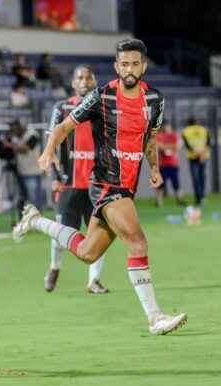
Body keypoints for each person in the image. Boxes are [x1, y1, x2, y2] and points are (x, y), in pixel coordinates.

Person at [12, 39, 187, 335]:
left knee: (88, 252)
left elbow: (151, 139)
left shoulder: (155, 99)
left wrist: (154, 167)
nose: (130, 69)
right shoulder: (101, 96)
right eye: (124, 64)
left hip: (127, 186)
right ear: (116, 67)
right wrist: (49, 149)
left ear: (143, 66)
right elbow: (64, 126)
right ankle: (154, 317)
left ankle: (36, 221)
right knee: (138, 242)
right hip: (106, 182)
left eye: (135, 64)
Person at [43, 65, 107, 294]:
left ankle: (93, 281)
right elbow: (52, 141)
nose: (84, 81)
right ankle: (54, 268)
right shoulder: (61, 108)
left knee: (99, 234)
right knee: (61, 235)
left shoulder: (102, 109)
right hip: (68, 184)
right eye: (79, 77)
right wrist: (55, 174)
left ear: (94, 81)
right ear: (73, 82)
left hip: (96, 185)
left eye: (88, 77)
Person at [182, 117, 210, 205]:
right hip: (204, 156)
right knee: (202, 178)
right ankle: (202, 197)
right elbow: (208, 143)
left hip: (193, 157)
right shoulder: (204, 130)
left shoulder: (185, 131)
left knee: (196, 178)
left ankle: (198, 198)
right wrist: (202, 155)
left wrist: (198, 154)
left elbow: (188, 146)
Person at [155, 121, 185, 207]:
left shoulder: (174, 135)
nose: (167, 129)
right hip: (163, 164)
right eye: (165, 127)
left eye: (168, 127)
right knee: (161, 184)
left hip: (173, 164)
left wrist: (166, 146)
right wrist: (171, 146)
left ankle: (180, 200)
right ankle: (159, 202)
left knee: (176, 183)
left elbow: (177, 146)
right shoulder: (160, 136)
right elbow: (160, 146)